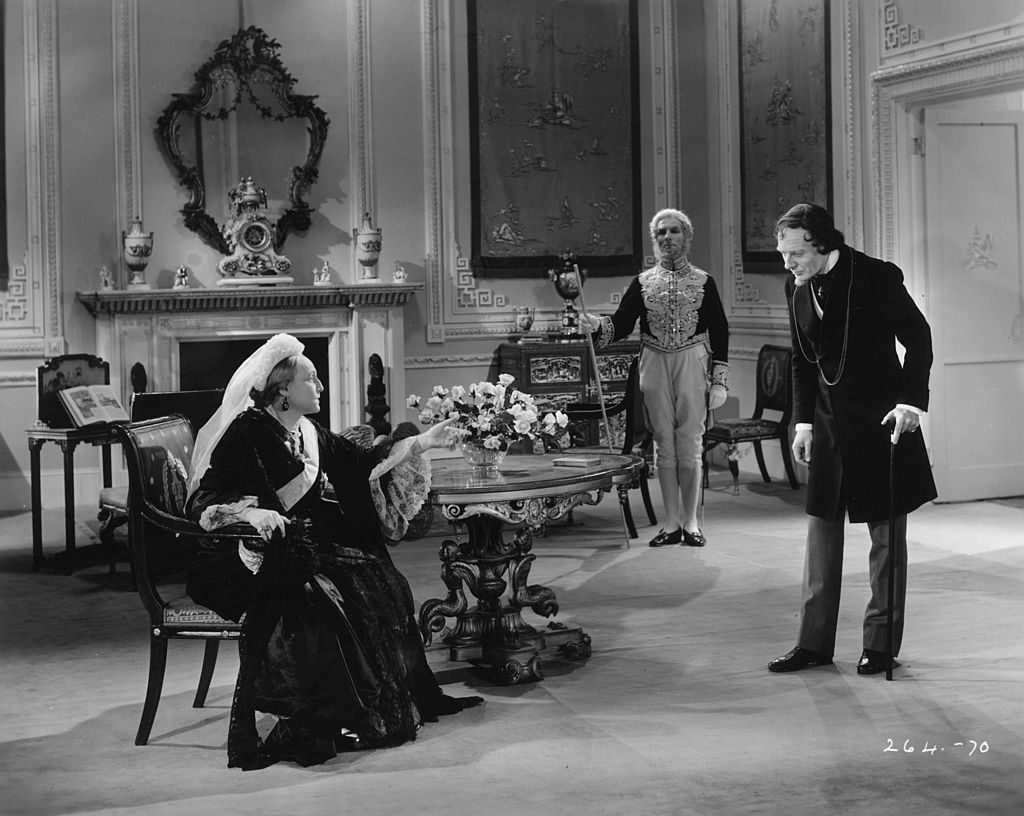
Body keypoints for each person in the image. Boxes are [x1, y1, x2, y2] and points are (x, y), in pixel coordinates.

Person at [185, 333, 481, 770]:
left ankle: (370, 708)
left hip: (304, 546)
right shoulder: (246, 431)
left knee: (381, 578)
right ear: (284, 391)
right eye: (311, 378)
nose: (321, 385)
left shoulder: (307, 431)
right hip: (250, 557)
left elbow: (359, 462)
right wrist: (252, 514)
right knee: (324, 599)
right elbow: (203, 502)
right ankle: (329, 716)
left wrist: (424, 442)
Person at [767, 203, 937, 677]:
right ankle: (812, 644)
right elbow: (801, 359)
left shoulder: (876, 276)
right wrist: (802, 424)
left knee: (886, 539)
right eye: (783, 254)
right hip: (826, 425)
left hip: (882, 421)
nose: (788, 264)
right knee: (821, 535)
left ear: (823, 244)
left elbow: (919, 337)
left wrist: (910, 403)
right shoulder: (796, 284)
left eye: (796, 253)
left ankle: (879, 645)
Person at [581, 208, 729, 548]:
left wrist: (720, 380)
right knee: (664, 443)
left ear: (686, 237)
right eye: (661, 232)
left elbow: (720, 329)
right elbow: (622, 322)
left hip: (693, 360)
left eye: (674, 231)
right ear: (654, 239)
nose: (667, 237)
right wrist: (597, 324)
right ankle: (671, 523)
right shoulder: (643, 282)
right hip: (653, 361)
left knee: (690, 442)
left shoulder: (704, 281)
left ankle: (691, 522)